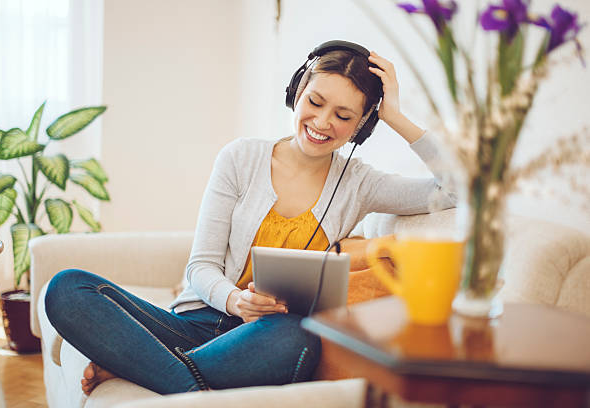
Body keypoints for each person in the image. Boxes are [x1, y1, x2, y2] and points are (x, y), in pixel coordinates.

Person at [45, 41, 456, 396]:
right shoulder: (241, 157)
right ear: (296, 91)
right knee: (68, 287)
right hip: (199, 321)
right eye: (315, 102)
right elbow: (200, 265)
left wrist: (397, 116)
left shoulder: (361, 183)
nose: (323, 122)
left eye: (344, 116)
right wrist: (235, 300)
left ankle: (150, 367)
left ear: (362, 125)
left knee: (300, 336)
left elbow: (454, 190)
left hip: (269, 337)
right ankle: (187, 381)